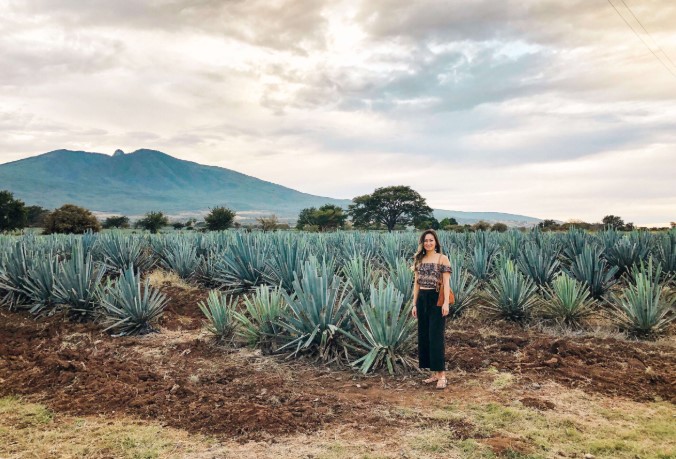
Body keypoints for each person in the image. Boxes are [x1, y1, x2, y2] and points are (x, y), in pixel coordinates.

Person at [411, 229, 451, 389]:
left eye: (431, 240)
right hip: (422, 299)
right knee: (425, 336)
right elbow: (416, 284)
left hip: (436, 299)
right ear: (423, 243)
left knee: (436, 336)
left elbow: (447, 283)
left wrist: (446, 303)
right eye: (426, 240)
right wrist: (414, 304)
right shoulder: (418, 260)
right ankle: (433, 373)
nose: (428, 243)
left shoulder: (443, 259)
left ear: (436, 242)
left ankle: (442, 375)